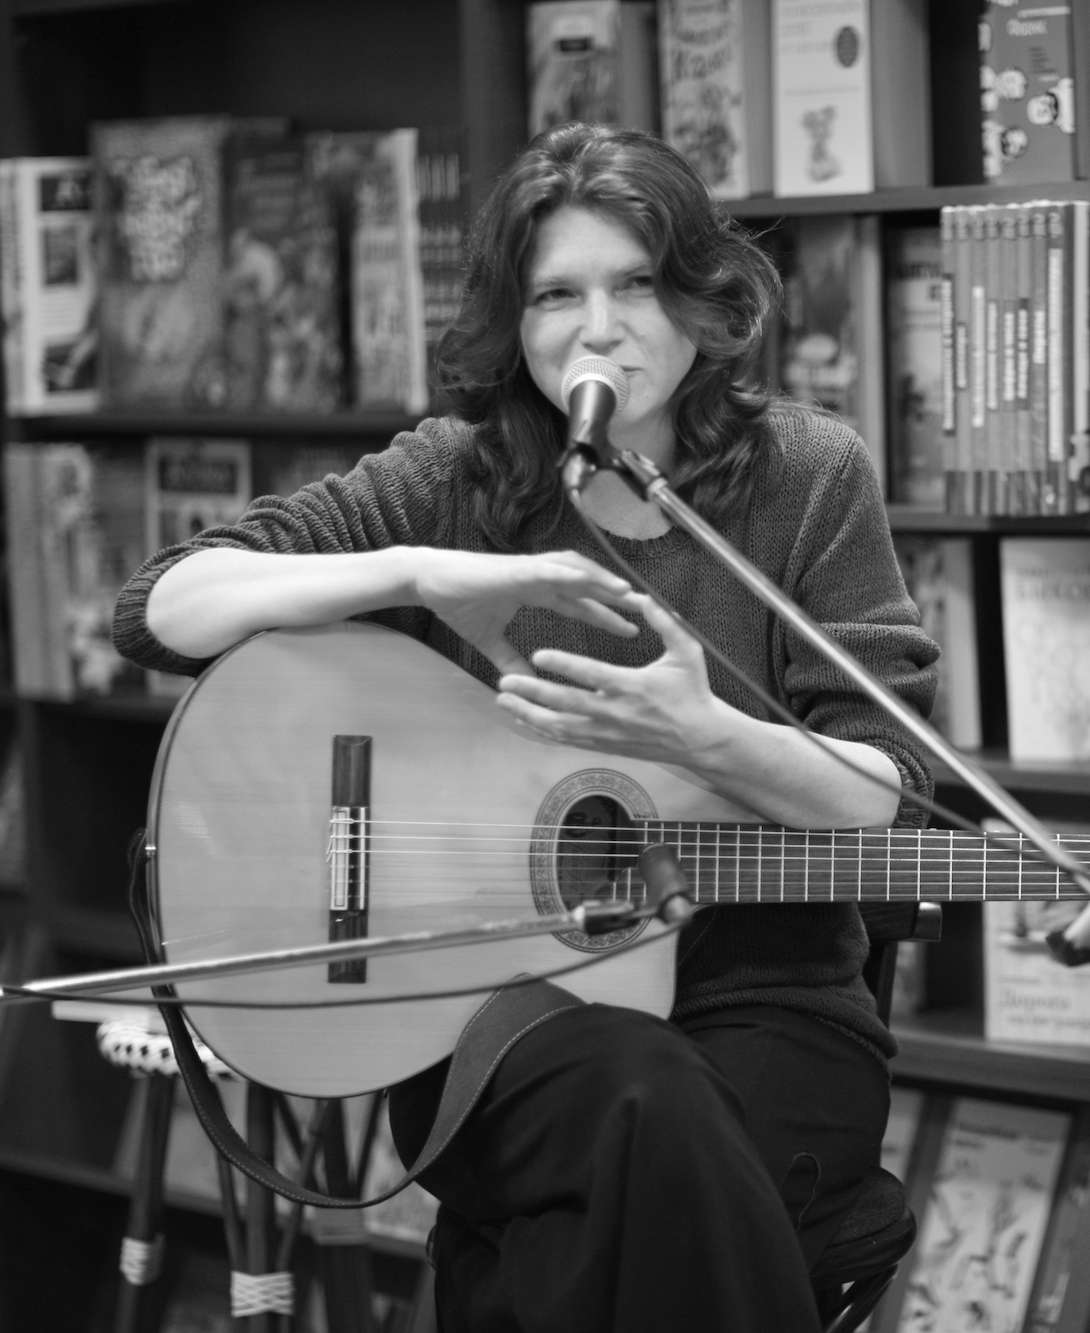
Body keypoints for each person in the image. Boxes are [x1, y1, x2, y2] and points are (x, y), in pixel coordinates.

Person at [111, 124, 939, 1331]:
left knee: (600, 1199)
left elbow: (889, 795)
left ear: (703, 300)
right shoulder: (457, 478)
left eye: (635, 284)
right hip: (487, 1012)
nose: (597, 329)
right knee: (640, 1099)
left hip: (769, 1005)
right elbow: (161, 609)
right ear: (514, 320)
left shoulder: (806, 474)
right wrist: (420, 571)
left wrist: (704, 735)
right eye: (557, 295)